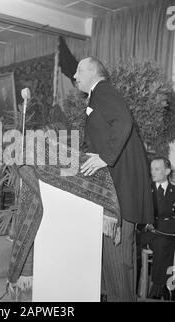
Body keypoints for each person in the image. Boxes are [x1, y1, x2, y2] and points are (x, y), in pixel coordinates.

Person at [73, 57, 154, 302]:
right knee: (119, 262)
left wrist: (105, 158)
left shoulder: (103, 90)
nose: (75, 76)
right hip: (116, 190)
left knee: (118, 262)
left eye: (78, 70)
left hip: (118, 191)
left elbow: (123, 121)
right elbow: (101, 137)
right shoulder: (97, 96)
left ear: (93, 71)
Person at [140, 157, 175, 300]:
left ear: (167, 171)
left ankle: (159, 287)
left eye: (157, 169)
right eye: (151, 169)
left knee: (165, 241)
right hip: (149, 233)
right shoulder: (145, 191)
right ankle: (163, 287)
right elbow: (140, 216)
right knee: (164, 242)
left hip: (167, 233)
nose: (152, 172)